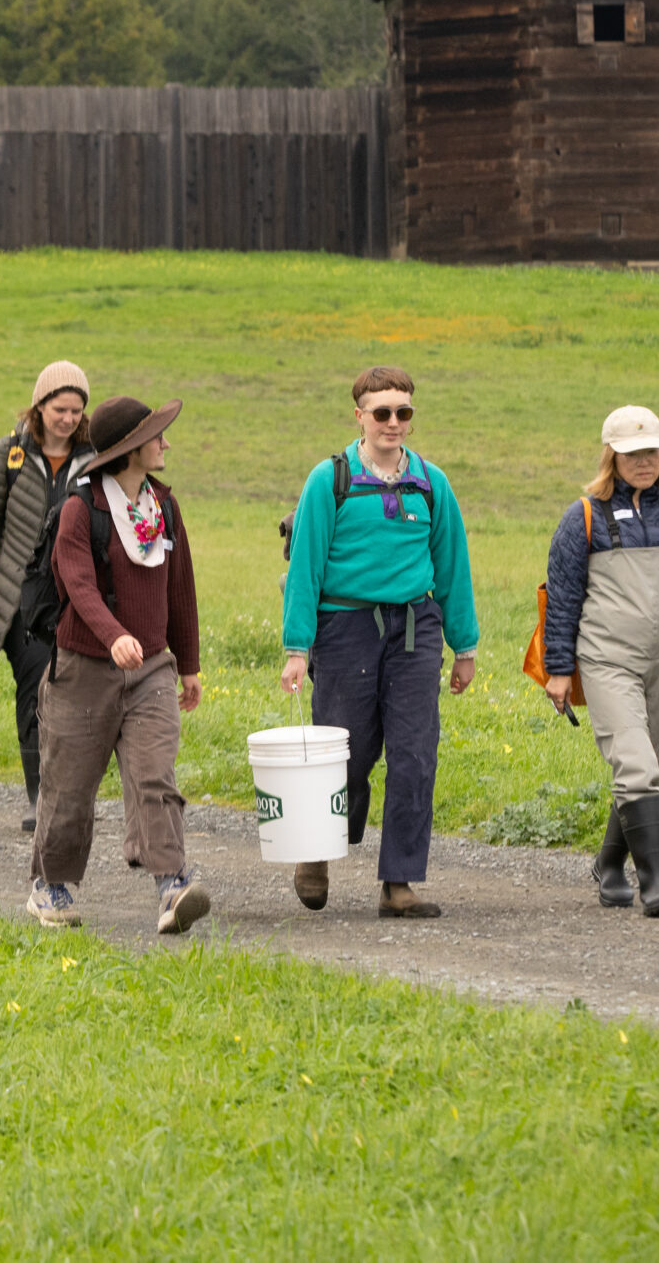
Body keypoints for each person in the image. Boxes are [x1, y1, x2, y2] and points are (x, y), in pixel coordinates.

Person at [278, 366, 478, 920]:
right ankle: (317, 853)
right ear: (360, 416)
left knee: (415, 755)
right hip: (345, 631)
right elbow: (306, 570)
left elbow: (453, 567)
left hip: (416, 629)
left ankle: (399, 882)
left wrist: (465, 648)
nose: (393, 422)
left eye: (403, 412)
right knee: (347, 754)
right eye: (382, 412)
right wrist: (299, 648)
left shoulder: (430, 483)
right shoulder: (330, 478)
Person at [538, 406, 659, 917]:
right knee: (636, 764)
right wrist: (559, 671)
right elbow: (561, 598)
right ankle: (657, 883)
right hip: (606, 661)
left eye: (652, 451)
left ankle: (609, 863)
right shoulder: (582, 517)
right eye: (633, 453)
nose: (645, 461)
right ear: (612, 457)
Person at [26, 395, 209, 936]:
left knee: (155, 774)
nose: (165, 443)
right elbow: (77, 584)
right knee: (68, 787)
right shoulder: (81, 510)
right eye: (156, 436)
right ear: (130, 448)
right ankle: (51, 887)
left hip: (152, 668)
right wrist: (113, 636)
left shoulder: (165, 507)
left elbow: (181, 589)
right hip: (83, 669)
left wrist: (189, 662)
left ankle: (172, 885)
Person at [0, 360, 96, 834]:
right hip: (20, 597)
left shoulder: (95, 455)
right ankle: (41, 797)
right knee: (37, 688)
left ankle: (68, 795)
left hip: (76, 596)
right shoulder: (9, 453)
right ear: (40, 406)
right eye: (60, 409)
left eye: (77, 410)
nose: (68, 418)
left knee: (76, 695)